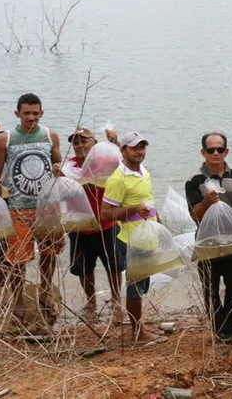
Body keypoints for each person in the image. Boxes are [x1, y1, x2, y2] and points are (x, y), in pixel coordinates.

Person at [0, 93, 64, 330]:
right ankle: (18, 301)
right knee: (17, 260)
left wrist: (58, 168)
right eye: (26, 113)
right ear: (17, 114)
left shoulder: (49, 135)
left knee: (49, 253)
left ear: (41, 113)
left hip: (47, 207)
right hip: (17, 207)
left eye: (35, 113)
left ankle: (45, 290)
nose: (31, 118)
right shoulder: (6, 139)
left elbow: (58, 167)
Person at [100, 131, 164, 343]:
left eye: (142, 147)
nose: (140, 152)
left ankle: (140, 327)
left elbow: (149, 201)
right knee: (135, 285)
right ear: (124, 150)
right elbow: (105, 213)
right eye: (135, 148)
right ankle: (137, 332)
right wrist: (134, 208)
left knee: (142, 283)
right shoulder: (118, 179)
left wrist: (160, 227)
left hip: (148, 235)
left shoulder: (143, 171)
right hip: (131, 239)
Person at [185, 132, 232, 342]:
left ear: (226, 151)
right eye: (211, 150)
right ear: (203, 152)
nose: (216, 153)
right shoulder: (194, 180)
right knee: (210, 289)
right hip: (207, 243)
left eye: (220, 149)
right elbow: (194, 215)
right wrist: (206, 202)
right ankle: (219, 327)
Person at [63, 126, 124, 323]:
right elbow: (61, 193)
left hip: (106, 224)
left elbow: (126, 162)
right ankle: (91, 304)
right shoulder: (68, 165)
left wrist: (116, 143)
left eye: (84, 141)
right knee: (83, 268)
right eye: (76, 142)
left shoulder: (104, 161)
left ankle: (116, 303)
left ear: (95, 143)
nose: (80, 145)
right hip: (79, 225)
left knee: (113, 266)